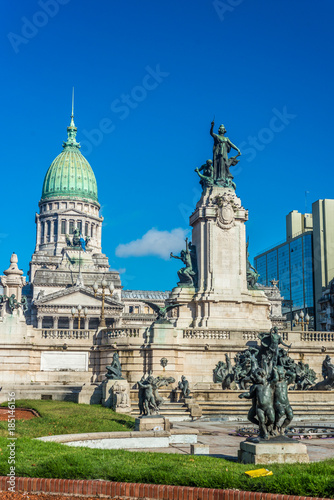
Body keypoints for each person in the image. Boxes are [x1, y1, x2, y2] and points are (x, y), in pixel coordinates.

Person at [239, 368, 275, 440]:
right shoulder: (256, 386)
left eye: (256, 377)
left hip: (269, 407)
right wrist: (244, 395)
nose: (255, 379)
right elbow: (250, 395)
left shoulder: (270, 385)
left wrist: (275, 370)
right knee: (261, 421)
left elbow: (276, 378)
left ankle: (266, 426)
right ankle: (265, 433)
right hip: (259, 408)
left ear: (262, 375)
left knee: (272, 420)